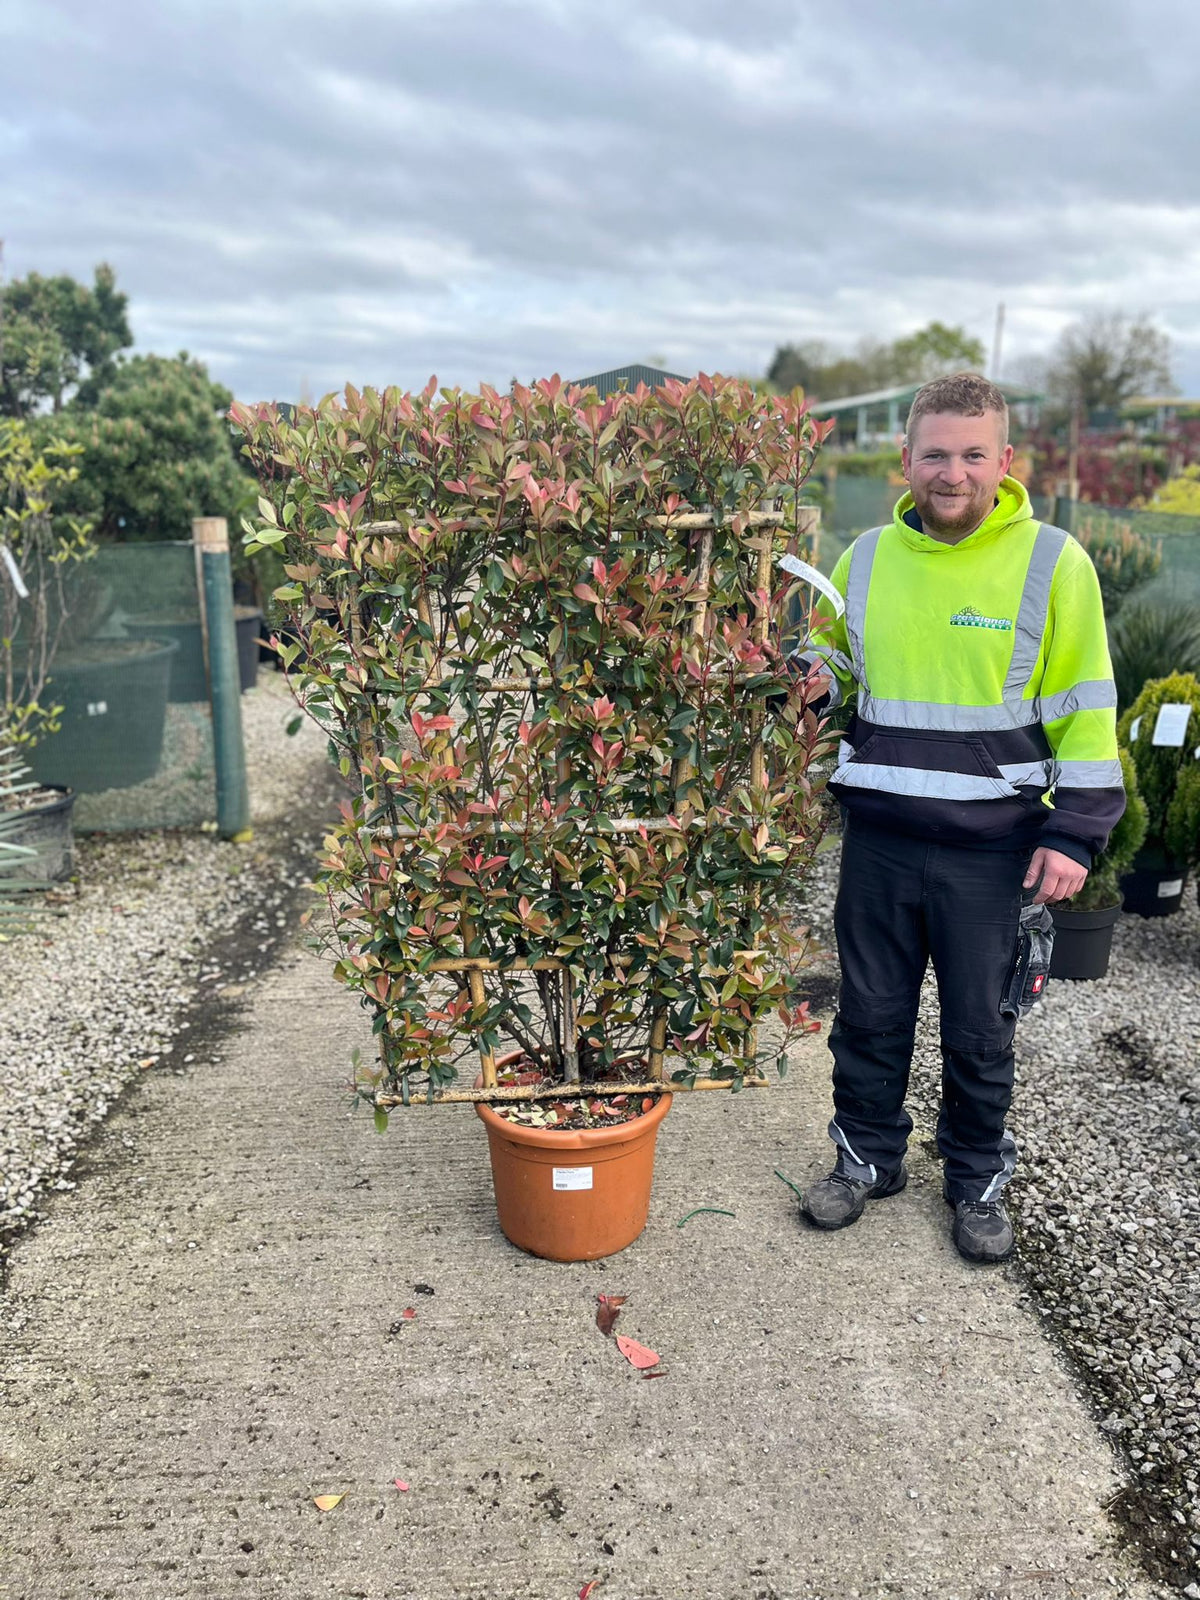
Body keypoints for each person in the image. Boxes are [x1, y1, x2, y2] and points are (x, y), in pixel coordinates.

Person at [793, 373, 1123, 1263]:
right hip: (882, 843)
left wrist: (1075, 833)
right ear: (906, 460)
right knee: (867, 1014)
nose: (953, 472)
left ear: (1005, 461)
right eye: (935, 453)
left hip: (995, 854)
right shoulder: (863, 560)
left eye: (973, 454)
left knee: (981, 1030)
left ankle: (976, 1179)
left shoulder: (1053, 562)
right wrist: (817, 686)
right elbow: (839, 672)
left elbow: (1089, 708)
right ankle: (866, 1160)